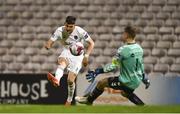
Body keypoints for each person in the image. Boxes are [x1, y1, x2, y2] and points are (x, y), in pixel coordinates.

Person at [75, 26, 150, 105]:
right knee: (125, 93)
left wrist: (98, 71)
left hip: (127, 81)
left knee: (101, 83)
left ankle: (88, 101)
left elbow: (113, 66)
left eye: (124, 33)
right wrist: (144, 78)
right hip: (137, 80)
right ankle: (143, 106)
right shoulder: (139, 48)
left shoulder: (123, 49)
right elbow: (140, 65)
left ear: (126, 35)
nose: (123, 35)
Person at [44, 16, 94, 105]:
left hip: (78, 56)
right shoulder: (60, 31)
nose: (68, 28)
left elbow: (91, 43)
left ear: (74, 26)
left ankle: (69, 100)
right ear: (65, 24)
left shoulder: (80, 31)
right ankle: (57, 80)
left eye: (71, 27)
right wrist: (48, 45)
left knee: (70, 81)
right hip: (67, 51)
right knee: (62, 62)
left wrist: (86, 56)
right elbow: (50, 41)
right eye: (67, 26)